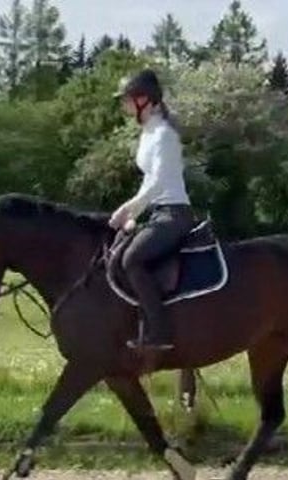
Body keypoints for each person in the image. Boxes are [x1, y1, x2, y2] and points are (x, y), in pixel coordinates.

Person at [109, 68, 195, 352]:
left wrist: (127, 208)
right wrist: (133, 214)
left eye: (127, 99)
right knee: (117, 253)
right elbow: (149, 181)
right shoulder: (148, 133)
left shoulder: (164, 135)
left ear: (144, 100)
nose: (123, 105)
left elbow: (158, 183)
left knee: (132, 259)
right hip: (158, 213)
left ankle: (160, 331)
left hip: (174, 214)